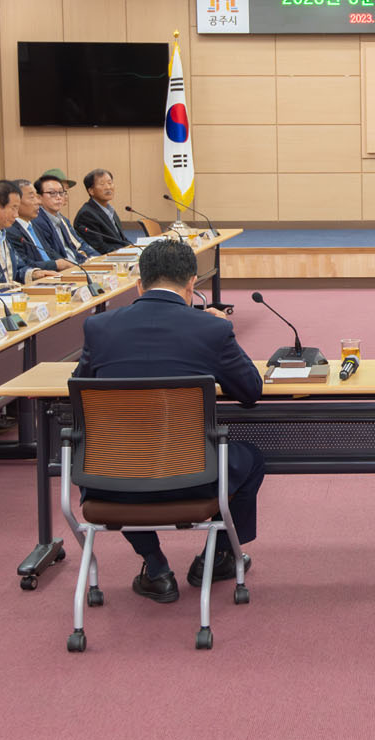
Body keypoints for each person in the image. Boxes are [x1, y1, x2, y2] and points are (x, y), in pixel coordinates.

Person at [73, 239, 266, 603]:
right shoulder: (210, 330)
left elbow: (81, 389)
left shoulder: (98, 328)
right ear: (192, 284)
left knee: (114, 458)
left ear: (139, 285)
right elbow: (250, 392)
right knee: (251, 458)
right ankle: (218, 556)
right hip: (194, 478)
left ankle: (156, 566)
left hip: (111, 478)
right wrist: (224, 331)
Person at [7, 179, 76, 277]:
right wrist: (56, 264)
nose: (38, 202)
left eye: (37, 197)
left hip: (54, 275)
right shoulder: (10, 230)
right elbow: (23, 265)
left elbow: (50, 251)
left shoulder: (33, 225)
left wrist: (66, 263)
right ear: (16, 201)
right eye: (32, 197)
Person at [33, 170, 96, 262]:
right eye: (52, 193)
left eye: (61, 192)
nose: (59, 197)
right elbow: (53, 256)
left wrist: (97, 259)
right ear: (39, 197)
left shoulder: (61, 219)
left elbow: (76, 246)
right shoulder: (37, 221)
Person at [75, 168, 129, 253]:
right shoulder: (87, 214)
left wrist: (134, 248)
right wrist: (125, 252)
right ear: (91, 191)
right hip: (107, 258)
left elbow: (122, 240)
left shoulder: (109, 209)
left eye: (110, 183)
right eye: (102, 184)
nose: (108, 187)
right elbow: (99, 247)